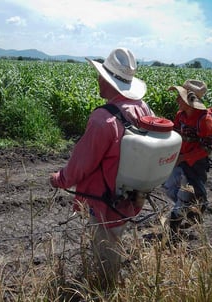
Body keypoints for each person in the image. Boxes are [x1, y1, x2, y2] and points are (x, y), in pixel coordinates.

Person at [49, 48, 154, 287]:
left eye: (102, 77)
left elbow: (81, 163)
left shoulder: (103, 119)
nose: (98, 80)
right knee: (117, 237)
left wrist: (60, 179)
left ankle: (107, 288)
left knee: (104, 248)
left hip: (104, 199)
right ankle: (115, 279)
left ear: (110, 82)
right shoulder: (143, 108)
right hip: (131, 194)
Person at [163, 80, 212, 239]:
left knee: (189, 193)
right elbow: (176, 136)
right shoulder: (180, 115)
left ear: (189, 101)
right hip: (181, 159)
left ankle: (174, 226)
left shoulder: (204, 120)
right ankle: (190, 211)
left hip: (195, 164)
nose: (177, 100)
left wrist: (184, 157)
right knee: (168, 186)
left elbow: (206, 148)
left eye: (180, 97)